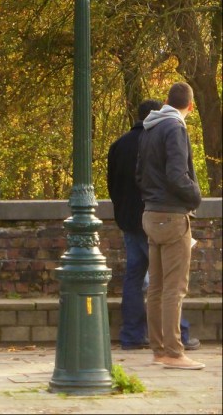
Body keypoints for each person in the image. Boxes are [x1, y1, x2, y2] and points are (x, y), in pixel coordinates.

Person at [107, 99, 200, 351]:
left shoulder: (118, 145)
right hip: (158, 215)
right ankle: (176, 334)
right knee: (168, 281)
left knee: (135, 277)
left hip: (129, 220)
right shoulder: (158, 138)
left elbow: (112, 185)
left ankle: (132, 334)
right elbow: (171, 175)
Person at [136, 82, 204, 370]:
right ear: (190, 107)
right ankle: (174, 352)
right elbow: (177, 175)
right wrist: (196, 197)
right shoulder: (175, 128)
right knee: (174, 288)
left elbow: (139, 173)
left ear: (166, 100)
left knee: (156, 287)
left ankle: (158, 349)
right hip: (173, 215)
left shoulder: (149, 127)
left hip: (150, 213)